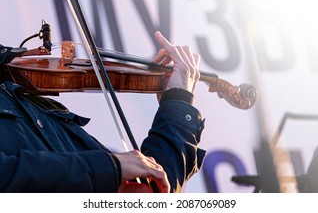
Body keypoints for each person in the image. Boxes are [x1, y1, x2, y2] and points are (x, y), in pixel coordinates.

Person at [0, 31, 205, 193]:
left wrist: (178, 101)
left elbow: (154, 190)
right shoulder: (102, 166)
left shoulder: (35, 105)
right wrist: (109, 168)